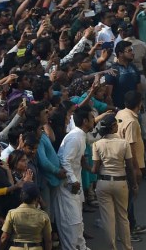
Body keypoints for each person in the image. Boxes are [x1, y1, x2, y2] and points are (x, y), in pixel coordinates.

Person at [92, 113, 138, 249]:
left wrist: (84, 165)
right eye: (116, 123)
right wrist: (134, 184)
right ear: (113, 127)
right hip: (120, 182)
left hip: (103, 182)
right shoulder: (123, 143)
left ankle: (112, 247)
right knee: (123, 217)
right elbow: (129, 167)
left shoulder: (97, 144)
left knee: (108, 219)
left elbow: (95, 169)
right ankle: (127, 247)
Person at [56, 107, 94, 250]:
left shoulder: (80, 136)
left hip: (74, 184)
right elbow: (65, 160)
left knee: (78, 220)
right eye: (91, 118)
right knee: (71, 222)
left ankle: (82, 247)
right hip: (69, 185)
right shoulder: (76, 137)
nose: (93, 121)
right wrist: (74, 181)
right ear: (85, 121)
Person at [116, 91, 146, 239]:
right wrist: (136, 169)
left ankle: (132, 225)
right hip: (128, 165)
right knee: (128, 198)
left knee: (128, 198)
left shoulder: (121, 113)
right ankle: (127, 231)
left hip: (120, 162)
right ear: (139, 104)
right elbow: (130, 145)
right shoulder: (131, 121)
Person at [0, 182, 52, 250]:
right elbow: (48, 241)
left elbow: (4, 238)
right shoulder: (44, 216)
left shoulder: (12, 214)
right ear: (37, 198)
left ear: (21, 196)